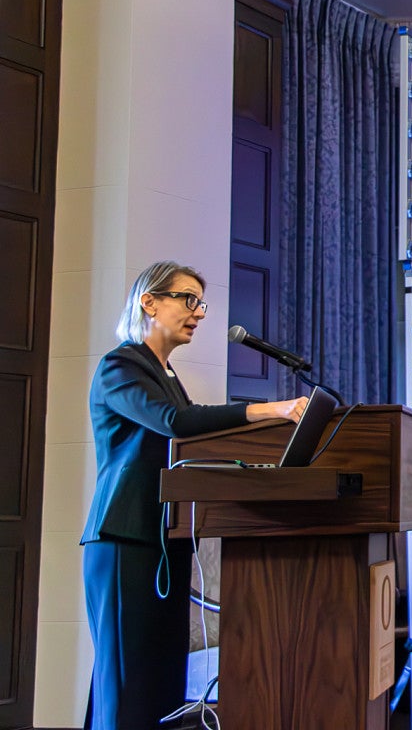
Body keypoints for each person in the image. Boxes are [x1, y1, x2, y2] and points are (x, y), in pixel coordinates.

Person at [83, 261, 307, 730]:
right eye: (188, 299)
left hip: (166, 537)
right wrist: (269, 409)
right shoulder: (121, 365)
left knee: (160, 683)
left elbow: (189, 430)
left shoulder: (164, 373)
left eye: (200, 303)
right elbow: (176, 423)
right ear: (150, 302)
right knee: (127, 683)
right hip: (125, 538)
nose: (199, 313)